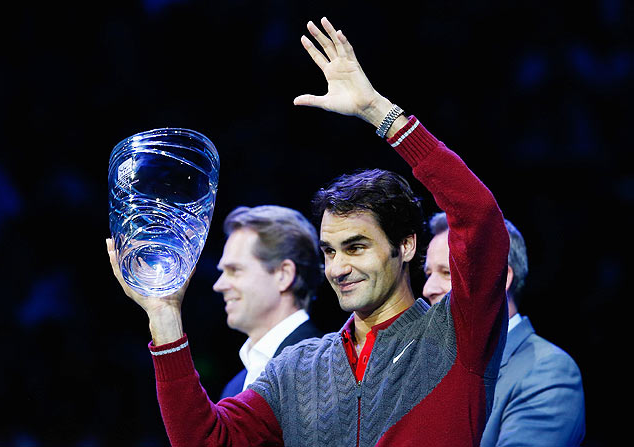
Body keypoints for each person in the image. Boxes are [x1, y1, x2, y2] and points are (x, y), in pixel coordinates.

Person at [107, 17, 510, 446]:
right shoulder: (296, 370)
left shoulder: (457, 334)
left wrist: (377, 110)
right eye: (329, 251)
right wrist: (165, 316)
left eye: (356, 247)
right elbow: (205, 441)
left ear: (406, 245)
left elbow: (479, 216)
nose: (339, 267)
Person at [423, 212, 586, 446]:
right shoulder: (429, 367)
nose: (428, 289)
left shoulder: (548, 371)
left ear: (499, 278)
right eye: (428, 274)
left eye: (447, 272)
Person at [213, 205, 323, 399]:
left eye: (234, 270)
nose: (219, 285)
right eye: (223, 272)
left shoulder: (322, 366)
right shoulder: (235, 387)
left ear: (283, 274)